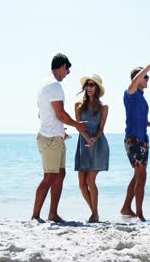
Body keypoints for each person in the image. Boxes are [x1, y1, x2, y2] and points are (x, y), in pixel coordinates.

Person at [32, 53, 86, 223]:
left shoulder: (45, 84)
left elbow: (43, 114)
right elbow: (61, 114)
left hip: (56, 137)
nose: (67, 74)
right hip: (50, 139)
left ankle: (53, 214)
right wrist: (77, 125)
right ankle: (35, 215)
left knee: (60, 174)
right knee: (49, 177)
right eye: (67, 70)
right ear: (62, 66)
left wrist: (61, 131)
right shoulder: (53, 85)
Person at [120, 64, 150, 222]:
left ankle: (126, 207)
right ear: (137, 79)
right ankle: (140, 213)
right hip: (133, 140)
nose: (147, 79)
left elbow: (140, 120)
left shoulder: (141, 97)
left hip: (143, 140)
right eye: (145, 77)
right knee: (142, 176)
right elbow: (137, 78)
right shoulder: (130, 92)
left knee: (138, 176)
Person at [75, 74, 110, 223]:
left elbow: (101, 128)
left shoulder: (104, 107)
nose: (89, 87)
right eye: (87, 85)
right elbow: (78, 126)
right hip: (83, 143)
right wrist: (87, 138)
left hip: (98, 145)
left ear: (97, 88)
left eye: (92, 85)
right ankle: (94, 213)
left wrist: (94, 138)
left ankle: (94, 214)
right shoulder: (78, 105)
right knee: (82, 184)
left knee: (90, 181)